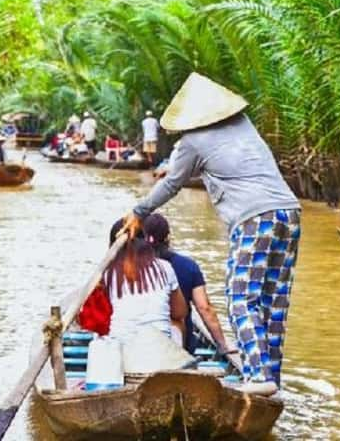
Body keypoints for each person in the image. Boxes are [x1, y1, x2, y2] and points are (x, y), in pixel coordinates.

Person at [121, 73, 301, 395]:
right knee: (273, 301)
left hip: (254, 218)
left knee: (240, 297)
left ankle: (258, 379)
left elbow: (172, 184)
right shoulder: (244, 123)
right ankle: (273, 379)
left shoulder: (192, 142)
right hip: (289, 212)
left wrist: (139, 211)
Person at [102, 219, 195, 373]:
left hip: (120, 351)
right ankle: (178, 370)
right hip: (159, 353)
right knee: (178, 323)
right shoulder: (165, 267)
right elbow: (180, 312)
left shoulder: (107, 273)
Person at [142, 213, 233, 357]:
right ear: (168, 237)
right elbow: (204, 308)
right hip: (181, 344)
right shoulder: (188, 266)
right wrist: (222, 345)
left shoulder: (132, 267)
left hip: (140, 341)